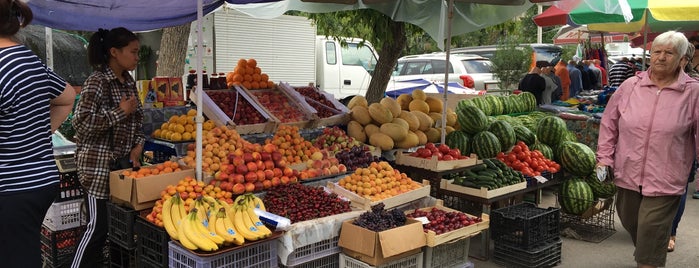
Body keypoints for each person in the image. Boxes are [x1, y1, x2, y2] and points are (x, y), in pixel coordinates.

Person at [597, 31, 699, 268]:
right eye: (657, 52)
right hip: (627, 174)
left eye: (669, 53)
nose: (661, 57)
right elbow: (609, 123)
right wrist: (604, 158)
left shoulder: (693, 92)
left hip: (667, 178)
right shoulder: (630, 86)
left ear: (683, 60)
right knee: (633, 225)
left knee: (651, 235)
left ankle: (649, 258)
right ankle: (647, 251)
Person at [0, 1, 77, 267]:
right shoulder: (28, 59)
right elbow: (67, 97)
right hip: (40, 180)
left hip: (11, 188)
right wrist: (39, 136)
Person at [71, 27, 144, 268]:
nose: (137, 57)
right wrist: (119, 112)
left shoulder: (128, 83)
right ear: (114, 52)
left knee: (119, 230)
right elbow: (80, 124)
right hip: (98, 169)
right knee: (98, 227)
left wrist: (137, 146)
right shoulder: (97, 81)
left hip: (121, 170)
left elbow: (139, 119)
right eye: (133, 52)